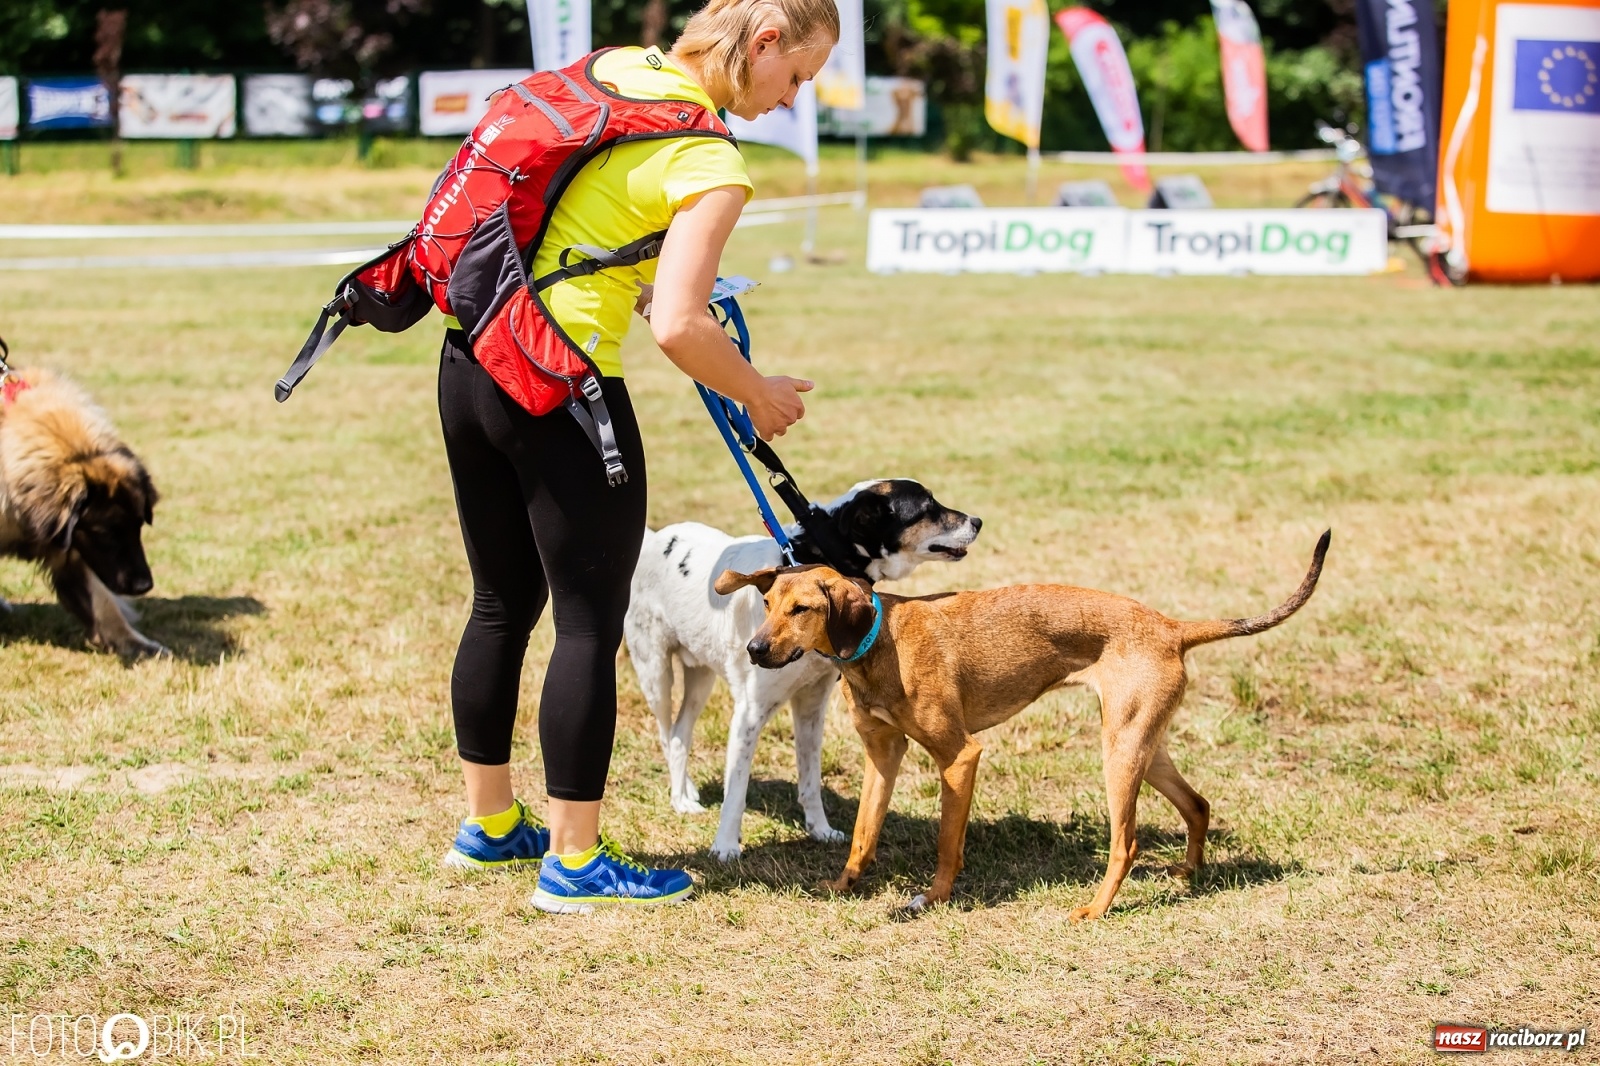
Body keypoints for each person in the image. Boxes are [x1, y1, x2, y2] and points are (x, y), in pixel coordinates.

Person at [437, 0, 840, 913]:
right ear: (764, 42)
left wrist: (642, 279)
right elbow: (682, 326)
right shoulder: (710, 157)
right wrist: (757, 391)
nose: (790, 100)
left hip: (471, 357)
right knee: (588, 622)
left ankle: (490, 825)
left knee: (499, 603)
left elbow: (589, 221)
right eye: (796, 77)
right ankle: (575, 863)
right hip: (560, 384)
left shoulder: (617, 69)